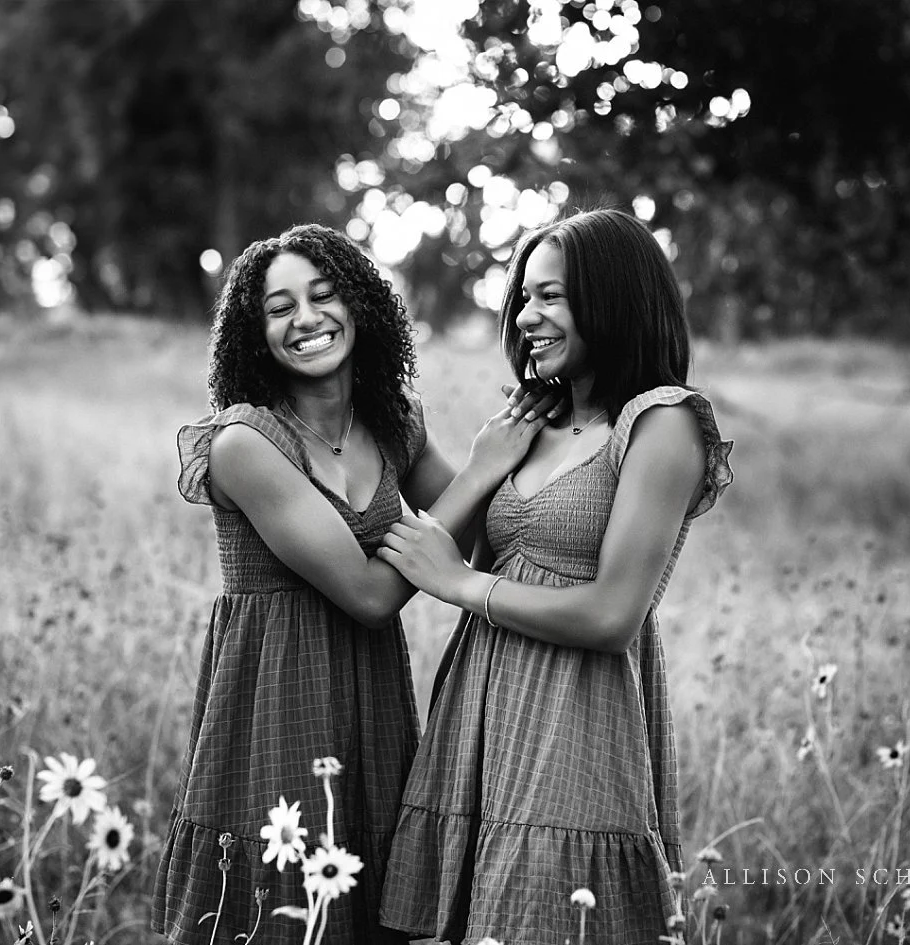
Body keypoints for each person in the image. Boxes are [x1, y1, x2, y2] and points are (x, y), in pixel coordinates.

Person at [151, 223, 557, 944]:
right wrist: (481, 467)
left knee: (363, 894)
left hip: (369, 697)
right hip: (277, 695)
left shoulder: (391, 421)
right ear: (255, 331)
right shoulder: (246, 442)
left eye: (322, 293)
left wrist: (556, 435)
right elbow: (371, 596)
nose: (305, 318)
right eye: (279, 308)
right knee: (285, 904)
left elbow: (482, 536)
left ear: (360, 303)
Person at [375, 208, 734, 943]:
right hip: (482, 707)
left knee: (551, 918)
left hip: (579, 716)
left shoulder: (661, 422)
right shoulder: (532, 421)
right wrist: (482, 464)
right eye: (523, 297)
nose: (526, 317)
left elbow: (612, 617)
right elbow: (494, 559)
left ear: (614, 300)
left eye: (552, 297)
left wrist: (459, 586)